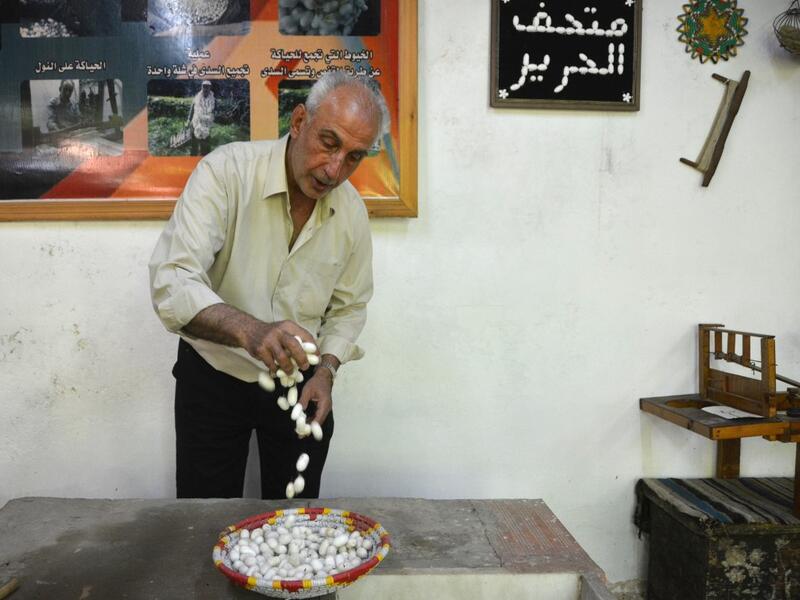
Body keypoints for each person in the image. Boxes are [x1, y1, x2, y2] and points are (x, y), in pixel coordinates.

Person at [149, 72, 389, 500]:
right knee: (204, 519)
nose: (335, 170)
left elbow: (350, 307)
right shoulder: (226, 172)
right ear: (298, 122)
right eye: (328, 143)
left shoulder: (351, 212)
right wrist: (252, 332)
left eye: (354, 157)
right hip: (213, 375)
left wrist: (327, 370)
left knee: (296, 524)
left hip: (301, 383)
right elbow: (173, 280)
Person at [187, 80, 215, 156]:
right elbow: (192, 109)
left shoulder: (213, 99)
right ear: (202, 87)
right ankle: (192, 161)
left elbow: (214, 112)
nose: (205, 89)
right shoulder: (197, 97)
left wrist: (211, 122)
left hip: (206, 125)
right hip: (195, 123)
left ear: (210, 88)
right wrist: (188, 120)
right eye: (204, 87)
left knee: (205, 146)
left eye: (207, 87)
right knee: (194, 145)